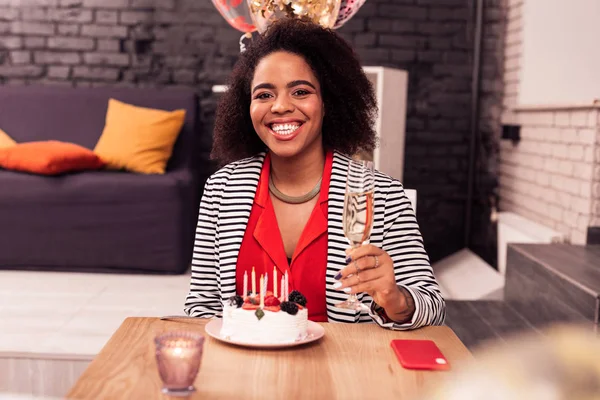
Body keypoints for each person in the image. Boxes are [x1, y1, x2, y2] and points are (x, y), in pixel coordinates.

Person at [184, 18, 445, 329]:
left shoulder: (381, 194)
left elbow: (433, 306)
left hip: (344, 369)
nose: (280, 106)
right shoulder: (221, 189)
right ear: (246, 107)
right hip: (246, 369)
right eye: (264, 95)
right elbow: (202, 305)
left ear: (327, 102)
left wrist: (396, 299)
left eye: (300, 91)